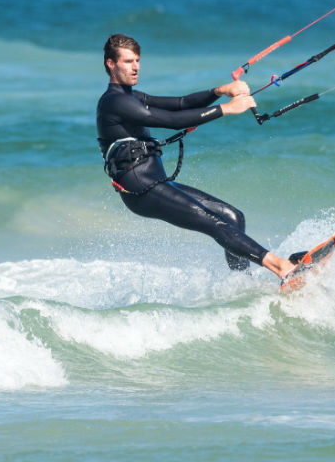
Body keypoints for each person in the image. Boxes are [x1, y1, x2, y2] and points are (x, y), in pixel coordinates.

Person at [96, 33, 298, 281]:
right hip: (141, 189)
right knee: (216, 223)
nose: (136, 67)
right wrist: (226, 108)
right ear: (111, 64)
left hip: (157, 182)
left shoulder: (133, 96)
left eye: (137, 60)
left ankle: (243, 283)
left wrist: (219, 91)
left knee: (233, 217)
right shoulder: (113, 102)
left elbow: (181, 104)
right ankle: (281, 267)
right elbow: (169, 121)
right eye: (128, 61)